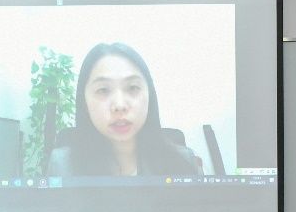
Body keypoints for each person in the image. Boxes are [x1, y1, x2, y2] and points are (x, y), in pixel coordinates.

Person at [45, 42, 201, 178]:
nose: (119, 105)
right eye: (103, 90)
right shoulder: (63, 167)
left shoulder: (182, 163)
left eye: (132, 88)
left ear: (150, 95)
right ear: (84, 100)